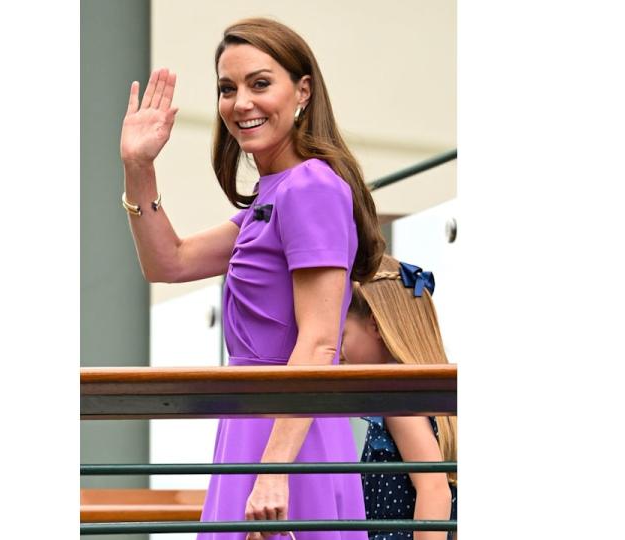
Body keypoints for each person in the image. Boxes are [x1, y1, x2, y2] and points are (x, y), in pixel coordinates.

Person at [118, 17, 385, 540]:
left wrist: (275, 471)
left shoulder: (309, 187)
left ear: (302, 91)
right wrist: (137, 166)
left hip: (287, 434)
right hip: (254, 424)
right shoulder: (274, 195)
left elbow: (319, 340)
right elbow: (167, 262)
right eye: (227, 88)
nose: (241, 103)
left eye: (260, 84)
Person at [340, 255, 458, 540]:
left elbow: (434, 490)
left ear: (376, 326)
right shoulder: (426, 397)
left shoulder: (398, 401)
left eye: (342, 334)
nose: (338, 352)